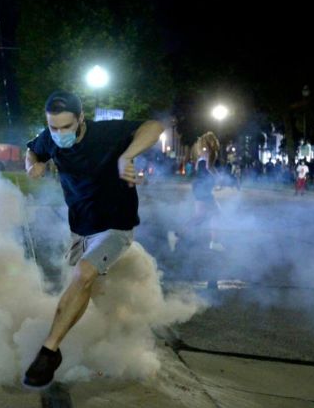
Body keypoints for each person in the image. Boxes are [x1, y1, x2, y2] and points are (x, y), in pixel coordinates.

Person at [22, 90, 164, 388]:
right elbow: (33, 150)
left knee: (84, 275)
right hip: (80, 229)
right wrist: (32, 164)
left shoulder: (106, 133)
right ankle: (111, 334)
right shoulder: (49, 138)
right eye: (53, 127)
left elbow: (154, 126)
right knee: (84, 288)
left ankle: (49, 352)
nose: (59, 133)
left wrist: (127, 155)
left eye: (66, 127)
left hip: (115, 227)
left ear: (81, 119)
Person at [168, 132, 225, 253]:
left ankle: (177, 235)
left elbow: (197, 169)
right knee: (211, 214)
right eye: (214, 140)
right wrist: (219, 177)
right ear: (212, 142)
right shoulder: (211, 153)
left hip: (199, 187)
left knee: (204, 215)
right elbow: (209, 167)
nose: (216, 142)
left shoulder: (201, 154)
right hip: (202, 188)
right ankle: (177, 235)